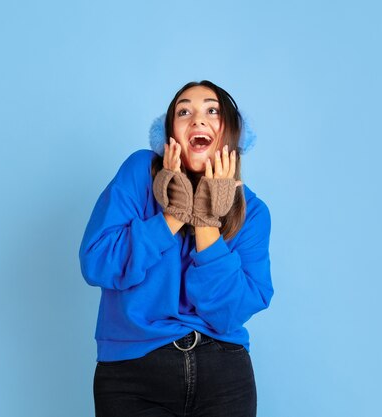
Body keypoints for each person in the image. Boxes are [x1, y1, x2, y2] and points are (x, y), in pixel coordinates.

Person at [79, 80, 273, 417]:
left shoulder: (253, 211)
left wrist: (206, 219)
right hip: (133, 374)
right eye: (184, 111)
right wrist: (173, 214)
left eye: (212, 110)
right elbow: (97, 262)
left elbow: (227, 313)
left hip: (224, 376)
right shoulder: (139, 171)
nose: (198, 119)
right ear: (170, 135)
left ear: (231, 132)